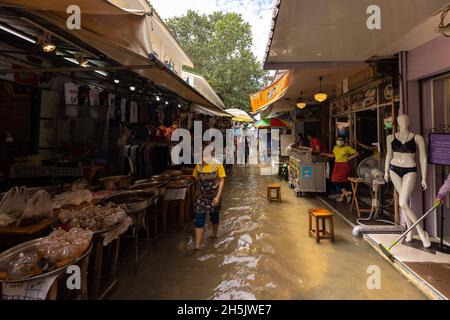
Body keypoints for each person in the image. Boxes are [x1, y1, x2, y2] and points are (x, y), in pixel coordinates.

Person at [192, 145, 226, 253]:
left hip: (214, 197)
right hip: (201, 197)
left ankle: (215, 235)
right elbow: (195, 178)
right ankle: (197, 246)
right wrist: (197, 191)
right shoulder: (198, 165)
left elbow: (221, 181)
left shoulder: (218, 165)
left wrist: (218, 197)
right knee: (199, 219)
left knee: (214, 217)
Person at [321, 136, 359, 202]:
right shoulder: (335, 147)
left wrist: (349, 158)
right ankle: (344, 194)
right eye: (338, 140)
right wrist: (325, 154)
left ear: (344, 141)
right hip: (337, 165)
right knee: (338, 180)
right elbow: (334, 156)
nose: (340, 141)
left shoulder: (347, 148)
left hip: (344, 165)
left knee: (335, 180)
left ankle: (345, 193)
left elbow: (357, 153)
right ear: (336, 141)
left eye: (341, 140)